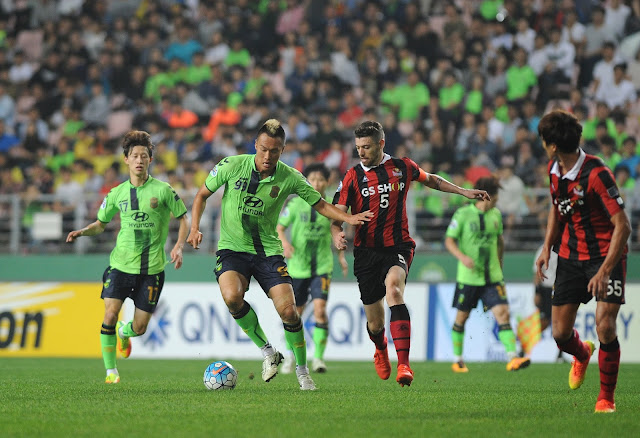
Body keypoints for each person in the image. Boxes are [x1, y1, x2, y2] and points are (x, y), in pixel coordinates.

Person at [187, 119, 372, 391]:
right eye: (263, 149)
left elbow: (320, 204)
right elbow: (201, 195)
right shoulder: (231, 165)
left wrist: (348, 217)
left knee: (289, 312)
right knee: (232, 297)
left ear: (282, 150)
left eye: (274, 151)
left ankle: (302, 371)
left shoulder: (290, 177)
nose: (267, 156)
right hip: (232, 249)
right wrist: (194, 228)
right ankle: (268, 351)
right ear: (255, 145)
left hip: (268, 253)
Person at [331, 120, 490, 387]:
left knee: (394, 290)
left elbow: (432, 180)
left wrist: (463, 191)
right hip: (366, 252)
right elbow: (336, 213)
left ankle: (404, 364)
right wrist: (337, 232)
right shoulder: (352, 176)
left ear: (381, 144)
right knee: (375, 323)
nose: (361, 152)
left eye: (366, 147)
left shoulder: (402, 167)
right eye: (358, 147)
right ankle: (381, 348)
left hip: (398, 246)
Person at [66, 130, 189, 384]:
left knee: (140, 327)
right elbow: (101, 224)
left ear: (150, 160)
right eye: (134, 155)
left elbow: (183, 218)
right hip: (120, 265)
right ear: (126, 159)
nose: (139, 160)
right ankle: (111, 372)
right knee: (110, 314)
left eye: (144, 155)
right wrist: (83, 231)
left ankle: (125, 333)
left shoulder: (163, 190)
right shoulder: (116, 193)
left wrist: (178, 245)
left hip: (152, 269)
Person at [535, 110, 630, 414]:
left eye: (542, 140)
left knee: (605, 327)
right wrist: (547, 246)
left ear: (552, 145)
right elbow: (556, 208)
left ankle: (606, 398)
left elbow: (623, 226)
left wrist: (604, 270)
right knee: (561, 334)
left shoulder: (596, 173)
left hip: (606, 256)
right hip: (571, 256)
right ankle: (582, 353)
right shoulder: (554, 169)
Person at [444, 176, 531, 373]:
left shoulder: (496, 216)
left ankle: (513, 358)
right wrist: (462, 257)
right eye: (497, 194)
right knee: (461, 317)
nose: (498, 199)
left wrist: (500, 267)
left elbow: (500, 242)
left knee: (503, 313)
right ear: (486, 195)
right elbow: (449, 241)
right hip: (469, 277)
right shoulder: (463, 214)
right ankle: (458, 360)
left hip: (492, 276)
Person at [277, 163, 347, 374]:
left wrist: (341, 257)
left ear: (327, 182)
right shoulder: (296, 204)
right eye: (312, 179)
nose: (316, 183)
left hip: (322, 267)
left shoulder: (332, 207)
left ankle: (318, 358)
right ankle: (291, 356)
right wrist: (285, 244)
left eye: (320, 180)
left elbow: (337, 232)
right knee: (294, 314)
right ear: (307, 181)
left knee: (320, 311)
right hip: (297, 267)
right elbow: (280, 227)